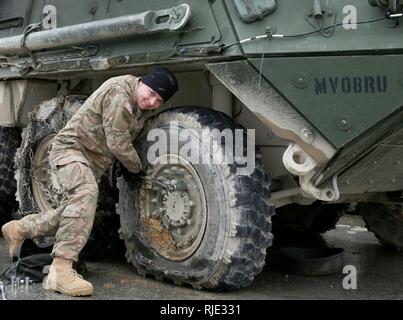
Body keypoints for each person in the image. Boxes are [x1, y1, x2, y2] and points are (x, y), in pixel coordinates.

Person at [1, 67, 178, 297]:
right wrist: (135, 168)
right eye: (152, 92)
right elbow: (117, 142)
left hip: (91, 161)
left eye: (159, 100)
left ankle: (20, 228)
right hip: (70, 150)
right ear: (142, 81)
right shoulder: (120, 94)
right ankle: (60, 270)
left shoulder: (137, 103)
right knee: (85, 193)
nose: (152, 101)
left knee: (73, 213)